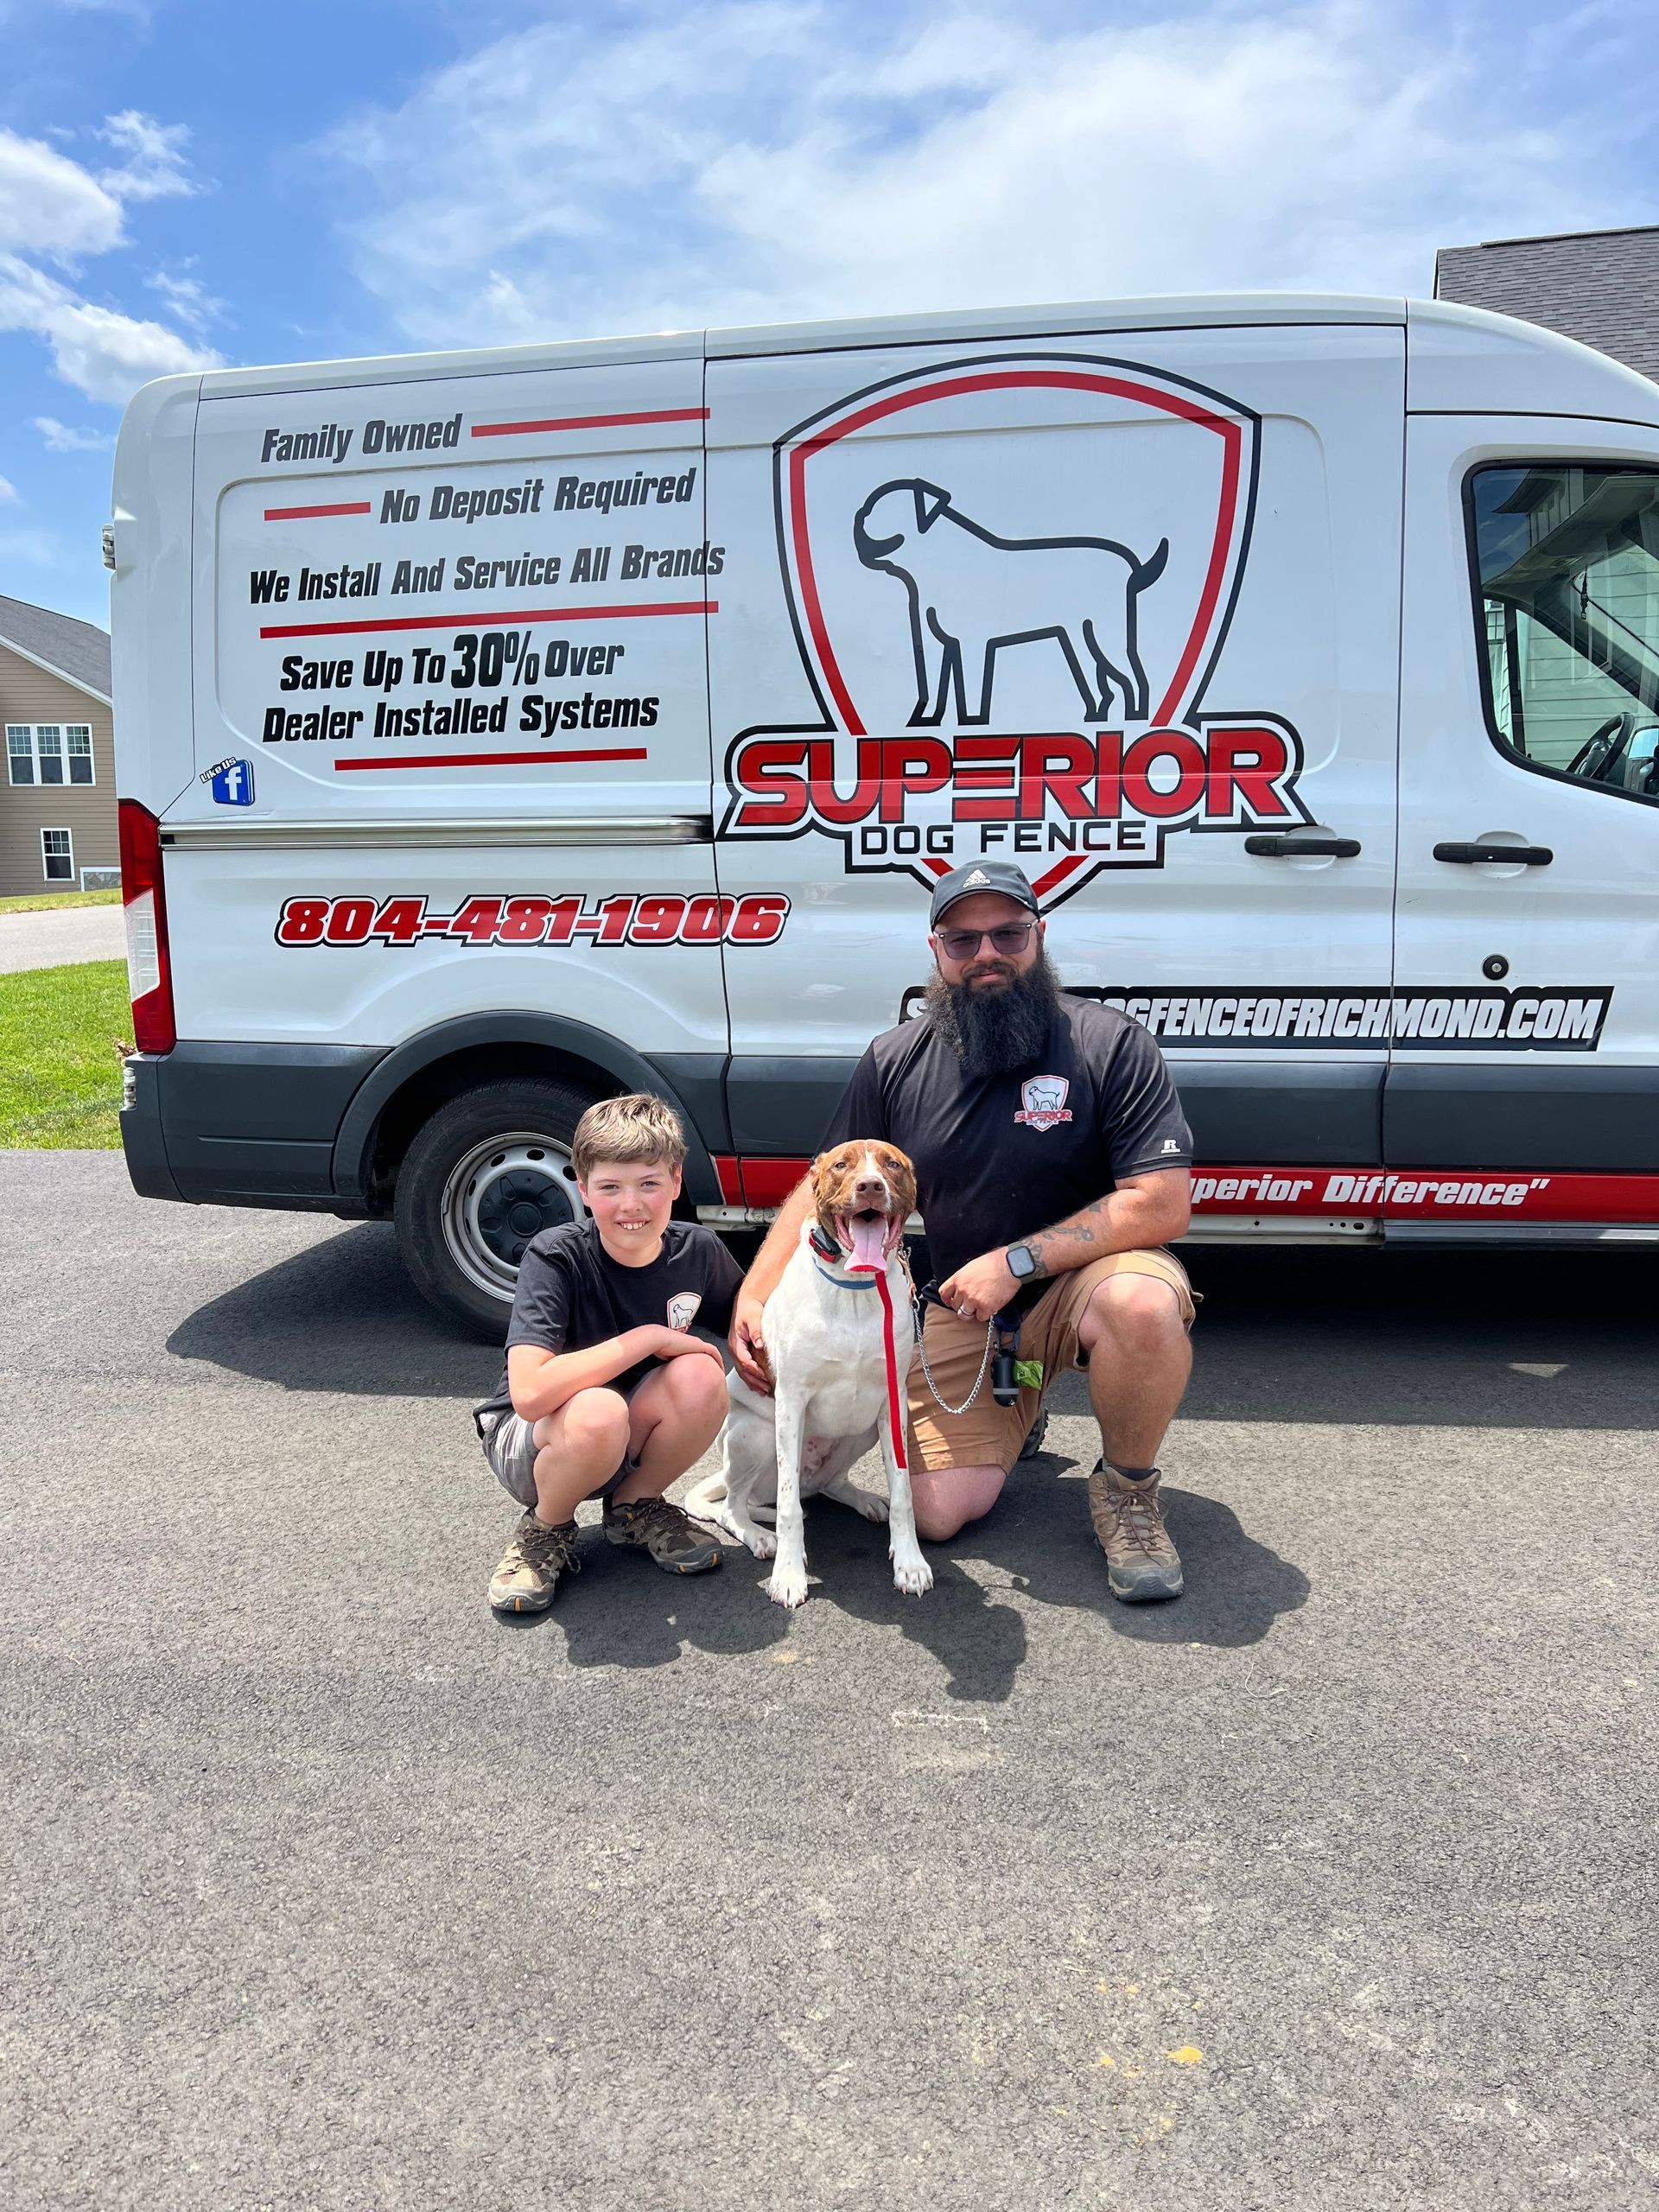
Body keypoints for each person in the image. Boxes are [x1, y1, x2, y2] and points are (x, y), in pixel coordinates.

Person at [729, 861, 1197, 1602]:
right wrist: (754, 1296)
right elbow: (824, 1184)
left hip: (1084, 1286)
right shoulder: (894, 1058)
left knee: (1141, 1307)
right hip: (968, 1308)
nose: (986, 953)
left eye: (1008, 934)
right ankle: (1024, 1395)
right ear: (937, 950)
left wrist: (1017, 1261)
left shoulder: (1108, 1043)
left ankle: (1129, 1492)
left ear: (1039, 936)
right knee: (937, 1513)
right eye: (963, 940)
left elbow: (1162, 1204)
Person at [475, 1093, 741, 1612]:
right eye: (610, 1187)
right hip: (535, 1439)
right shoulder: (556, 1255)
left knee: (701, 1376)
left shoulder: (699, 1251)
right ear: (583, 1188)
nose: (631, 1205)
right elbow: (530, 1395)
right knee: (600, 1409)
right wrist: (648, 1338)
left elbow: (754, 1322)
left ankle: (634, 1508)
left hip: (626, 1435)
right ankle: (545, 1527)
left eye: (649, 1184)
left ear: (677, 1182)